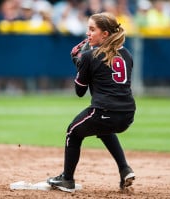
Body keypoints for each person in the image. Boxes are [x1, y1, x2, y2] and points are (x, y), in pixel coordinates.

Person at [47, 12, 136, 192]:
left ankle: (67, 179)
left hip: (105, 110)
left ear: (105, 34)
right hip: (128, 114)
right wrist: (83, 64)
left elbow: (80, 92)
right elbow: (108, 78)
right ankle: (124, 169)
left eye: (92, 29)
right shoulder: (126, 54)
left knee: (73, 131)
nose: (88, 33)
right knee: (104, 129)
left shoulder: (89, 56)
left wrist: (80, 64)